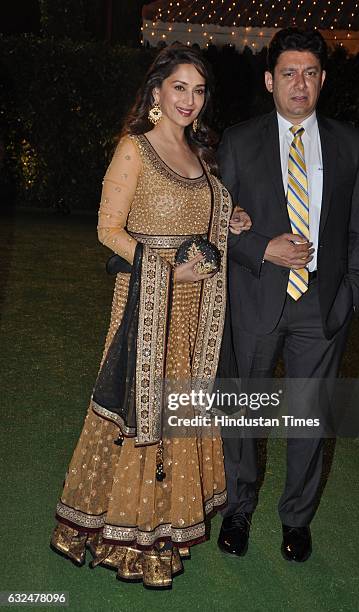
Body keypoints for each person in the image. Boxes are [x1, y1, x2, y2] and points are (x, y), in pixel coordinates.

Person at [50, 44, 250, 589]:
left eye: (199, 90)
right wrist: (163, 270)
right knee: (139, 407)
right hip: (145, 300)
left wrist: (226, 220)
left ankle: (163, 529)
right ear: (156, 91)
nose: (190, 100)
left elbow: (201, 212)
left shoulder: (200, 156)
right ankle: (125, 533)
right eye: (180, 87)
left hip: (189, 308)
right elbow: (108, 229)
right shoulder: (133, 149)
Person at [217, 28, 359, 562]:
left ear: (323, 79)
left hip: (321, 309)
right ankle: (238, 511)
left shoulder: (352, 144)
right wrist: (263, 249)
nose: (299, 83)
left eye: (309, 72)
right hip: (255, 301)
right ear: (269, 80)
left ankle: (297, 520)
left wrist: (350, 295)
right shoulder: (238, 141)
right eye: (288, 72)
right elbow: (219, 224)